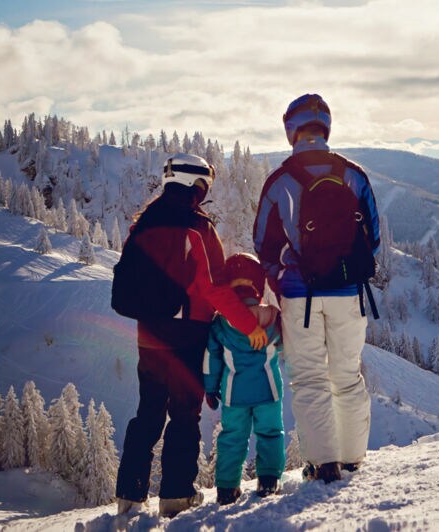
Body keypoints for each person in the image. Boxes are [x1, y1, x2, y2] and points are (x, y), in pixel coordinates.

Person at [112, 154, 269, 517]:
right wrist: (248, 324)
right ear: (193, 184)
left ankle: (129, 496)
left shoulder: (143, 223)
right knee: (184, 414)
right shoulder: (198, 227)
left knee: (148, 412)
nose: (204, 192)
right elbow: (214, 288)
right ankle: (176, 496)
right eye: (203, 185)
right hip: (187, 333)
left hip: (150, 333)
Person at [253, 94, 381, 483]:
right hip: (348, 293)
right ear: (325, 127)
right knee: (347, 375)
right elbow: (373, 238)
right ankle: (353, 458)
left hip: (300, 294)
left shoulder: (279, 181)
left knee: (309, 379)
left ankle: (323, 464)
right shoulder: (354, 175)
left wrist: (281, 280)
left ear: (291, 130)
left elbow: (263, 244)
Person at [204, 253, 285, 505]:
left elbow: (211, 359)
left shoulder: (220, 323)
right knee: (270, 433)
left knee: (232, 437)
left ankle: (227, 488)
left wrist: (210, 388)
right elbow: (284, 345)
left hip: (234, 394)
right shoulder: (272, 316)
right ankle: (269, 480)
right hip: (269, 391)